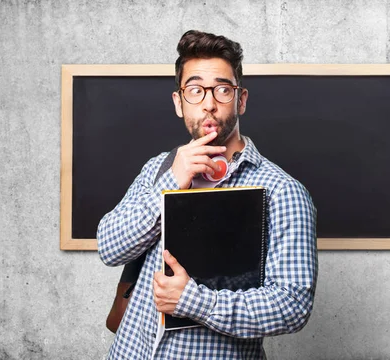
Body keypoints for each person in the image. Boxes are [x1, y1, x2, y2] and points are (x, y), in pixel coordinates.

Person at [97, 30, 318, 359]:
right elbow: (109, 248)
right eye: (196, 90)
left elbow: (292, 306)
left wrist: (192, 301)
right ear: (179, 102)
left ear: (241, 99)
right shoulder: (160, 168)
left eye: (222, 90)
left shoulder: (282, 191)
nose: (210, 104)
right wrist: (172, 182)